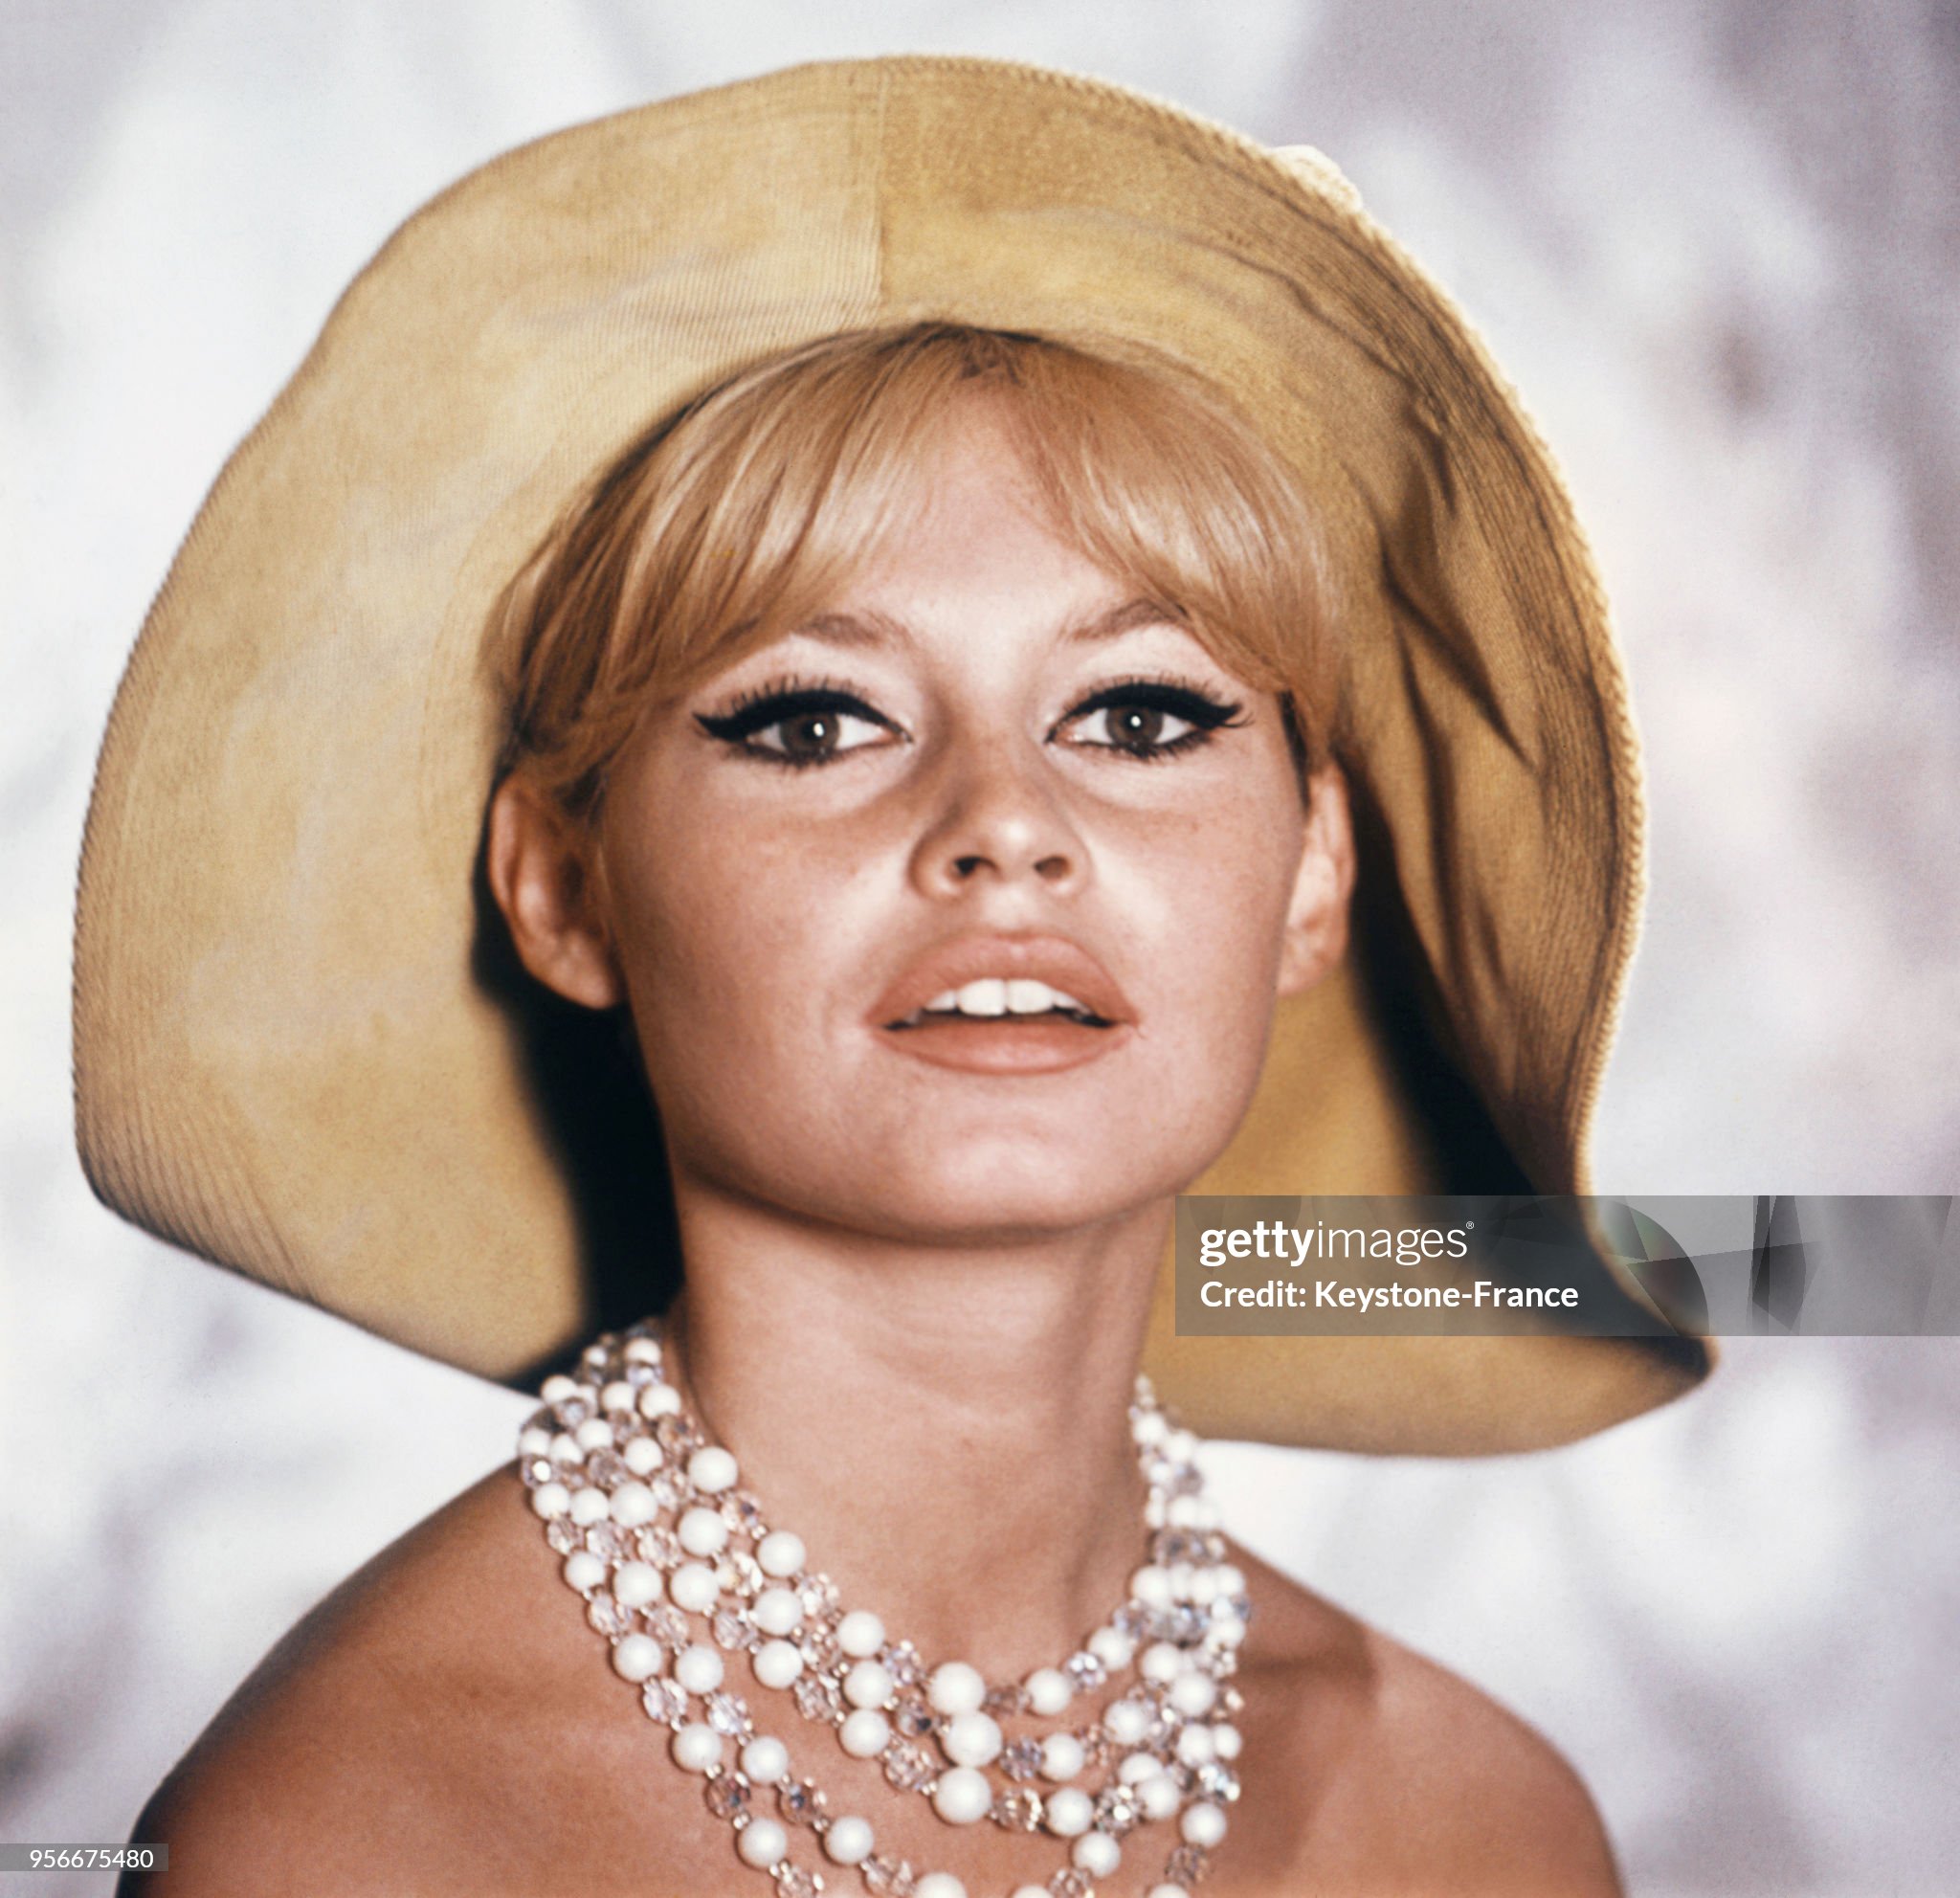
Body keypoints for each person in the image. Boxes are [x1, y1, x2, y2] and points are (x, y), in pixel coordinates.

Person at [78, 57, 1707, 1898]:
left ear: (1314, 870)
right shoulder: (339, 1840)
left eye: (1141, 711)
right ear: (562, 886)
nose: (1005, 826)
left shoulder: (1486, 1830)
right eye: (815, 719)